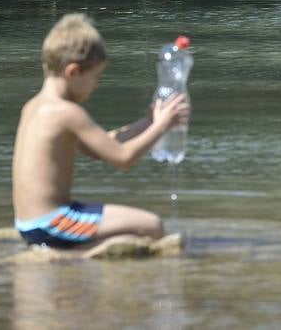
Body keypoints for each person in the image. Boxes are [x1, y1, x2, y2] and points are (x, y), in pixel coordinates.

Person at [11, 13, 189, 249]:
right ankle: (73, 256)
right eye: (96, 77)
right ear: (73, 72)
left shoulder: (34, 106)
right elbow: (123, 158)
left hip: (28, 223)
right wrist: (162, 126)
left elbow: (103, 146)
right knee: (152, 226)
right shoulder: (67, 113)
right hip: (51, 224)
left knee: (138, 235)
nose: (96, 85)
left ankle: (73, 252)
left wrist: (148, 122)